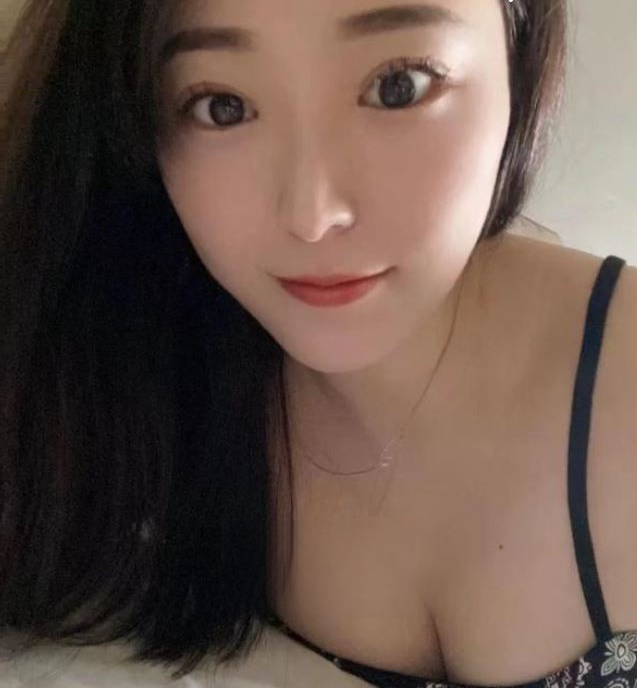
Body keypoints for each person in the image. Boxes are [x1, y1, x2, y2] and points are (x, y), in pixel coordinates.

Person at [1, 0, 636, 687]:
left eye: (398, 86)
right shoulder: (111, 388)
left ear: (519, 58)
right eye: (221, 106)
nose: (312, 213)